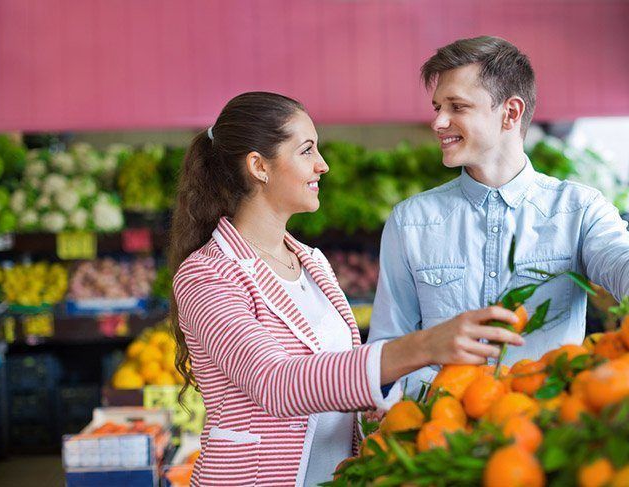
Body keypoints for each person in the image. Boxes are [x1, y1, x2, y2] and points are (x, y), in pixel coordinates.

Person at [169, 92, 524, 486]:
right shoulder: (207, 275)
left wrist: (375, 400)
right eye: (307, 151)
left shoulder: (311, 262)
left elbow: (337, 373)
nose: (323, 165)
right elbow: (276, 382)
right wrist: (424, 346)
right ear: (259, 166)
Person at [368, 36, 629, 397]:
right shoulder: (410, 221)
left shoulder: (578, 208)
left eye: (457, 107)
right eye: (438, 106)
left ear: (511, 113)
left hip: (543, 428)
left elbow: (623, 258)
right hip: (439, 434)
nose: (438, 121)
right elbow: (391, 340)